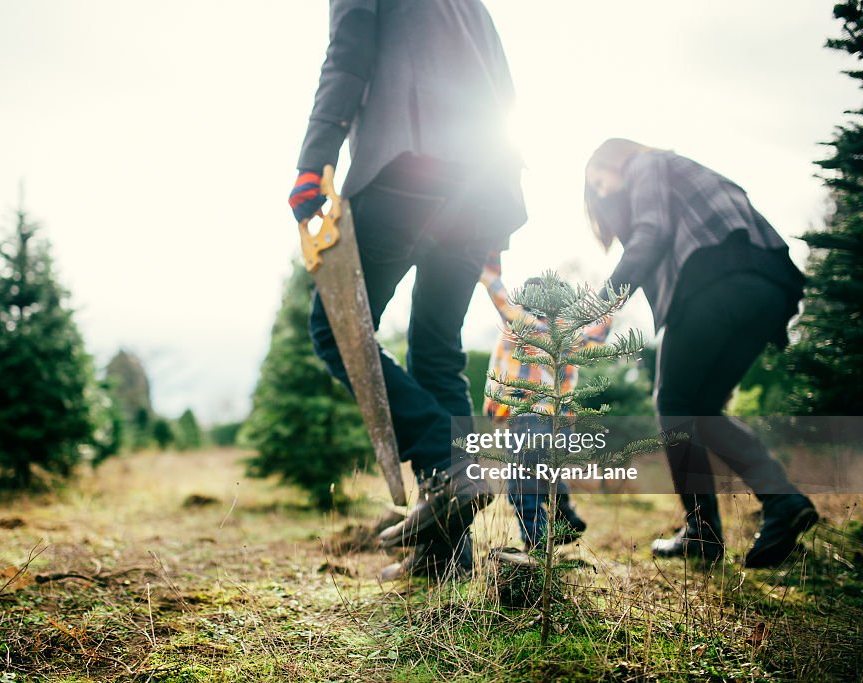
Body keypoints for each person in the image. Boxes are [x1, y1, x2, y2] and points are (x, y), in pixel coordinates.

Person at [288, 0, 527, 579]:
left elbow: (347, 57)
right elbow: (504, 88)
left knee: (335, 331)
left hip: (411, 165)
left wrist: (313, 159)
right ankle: (445, 556)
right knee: (437, 352)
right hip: (485, 185)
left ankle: (452, 462)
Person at [583, 138, 817, 568]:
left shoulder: (646, 164)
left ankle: (701, 532)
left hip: (716, 283)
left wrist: (603, 306)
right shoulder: (681, 172)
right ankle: (782, 502)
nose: (601, 194)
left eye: (599, 181)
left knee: (673, 405)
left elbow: (650, 233)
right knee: (702, 409)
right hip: (768, 287)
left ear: (614, 161)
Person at [479, 257, 609, 551]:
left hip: (528, 418)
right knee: (550, 472)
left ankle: (536, 547)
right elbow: (599, 332)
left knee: (523, 485)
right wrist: (611, 301)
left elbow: (500, 299)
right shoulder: (570, 333)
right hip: (562, 422)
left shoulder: (523, 324)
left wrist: (487, 272)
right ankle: (564, 512)